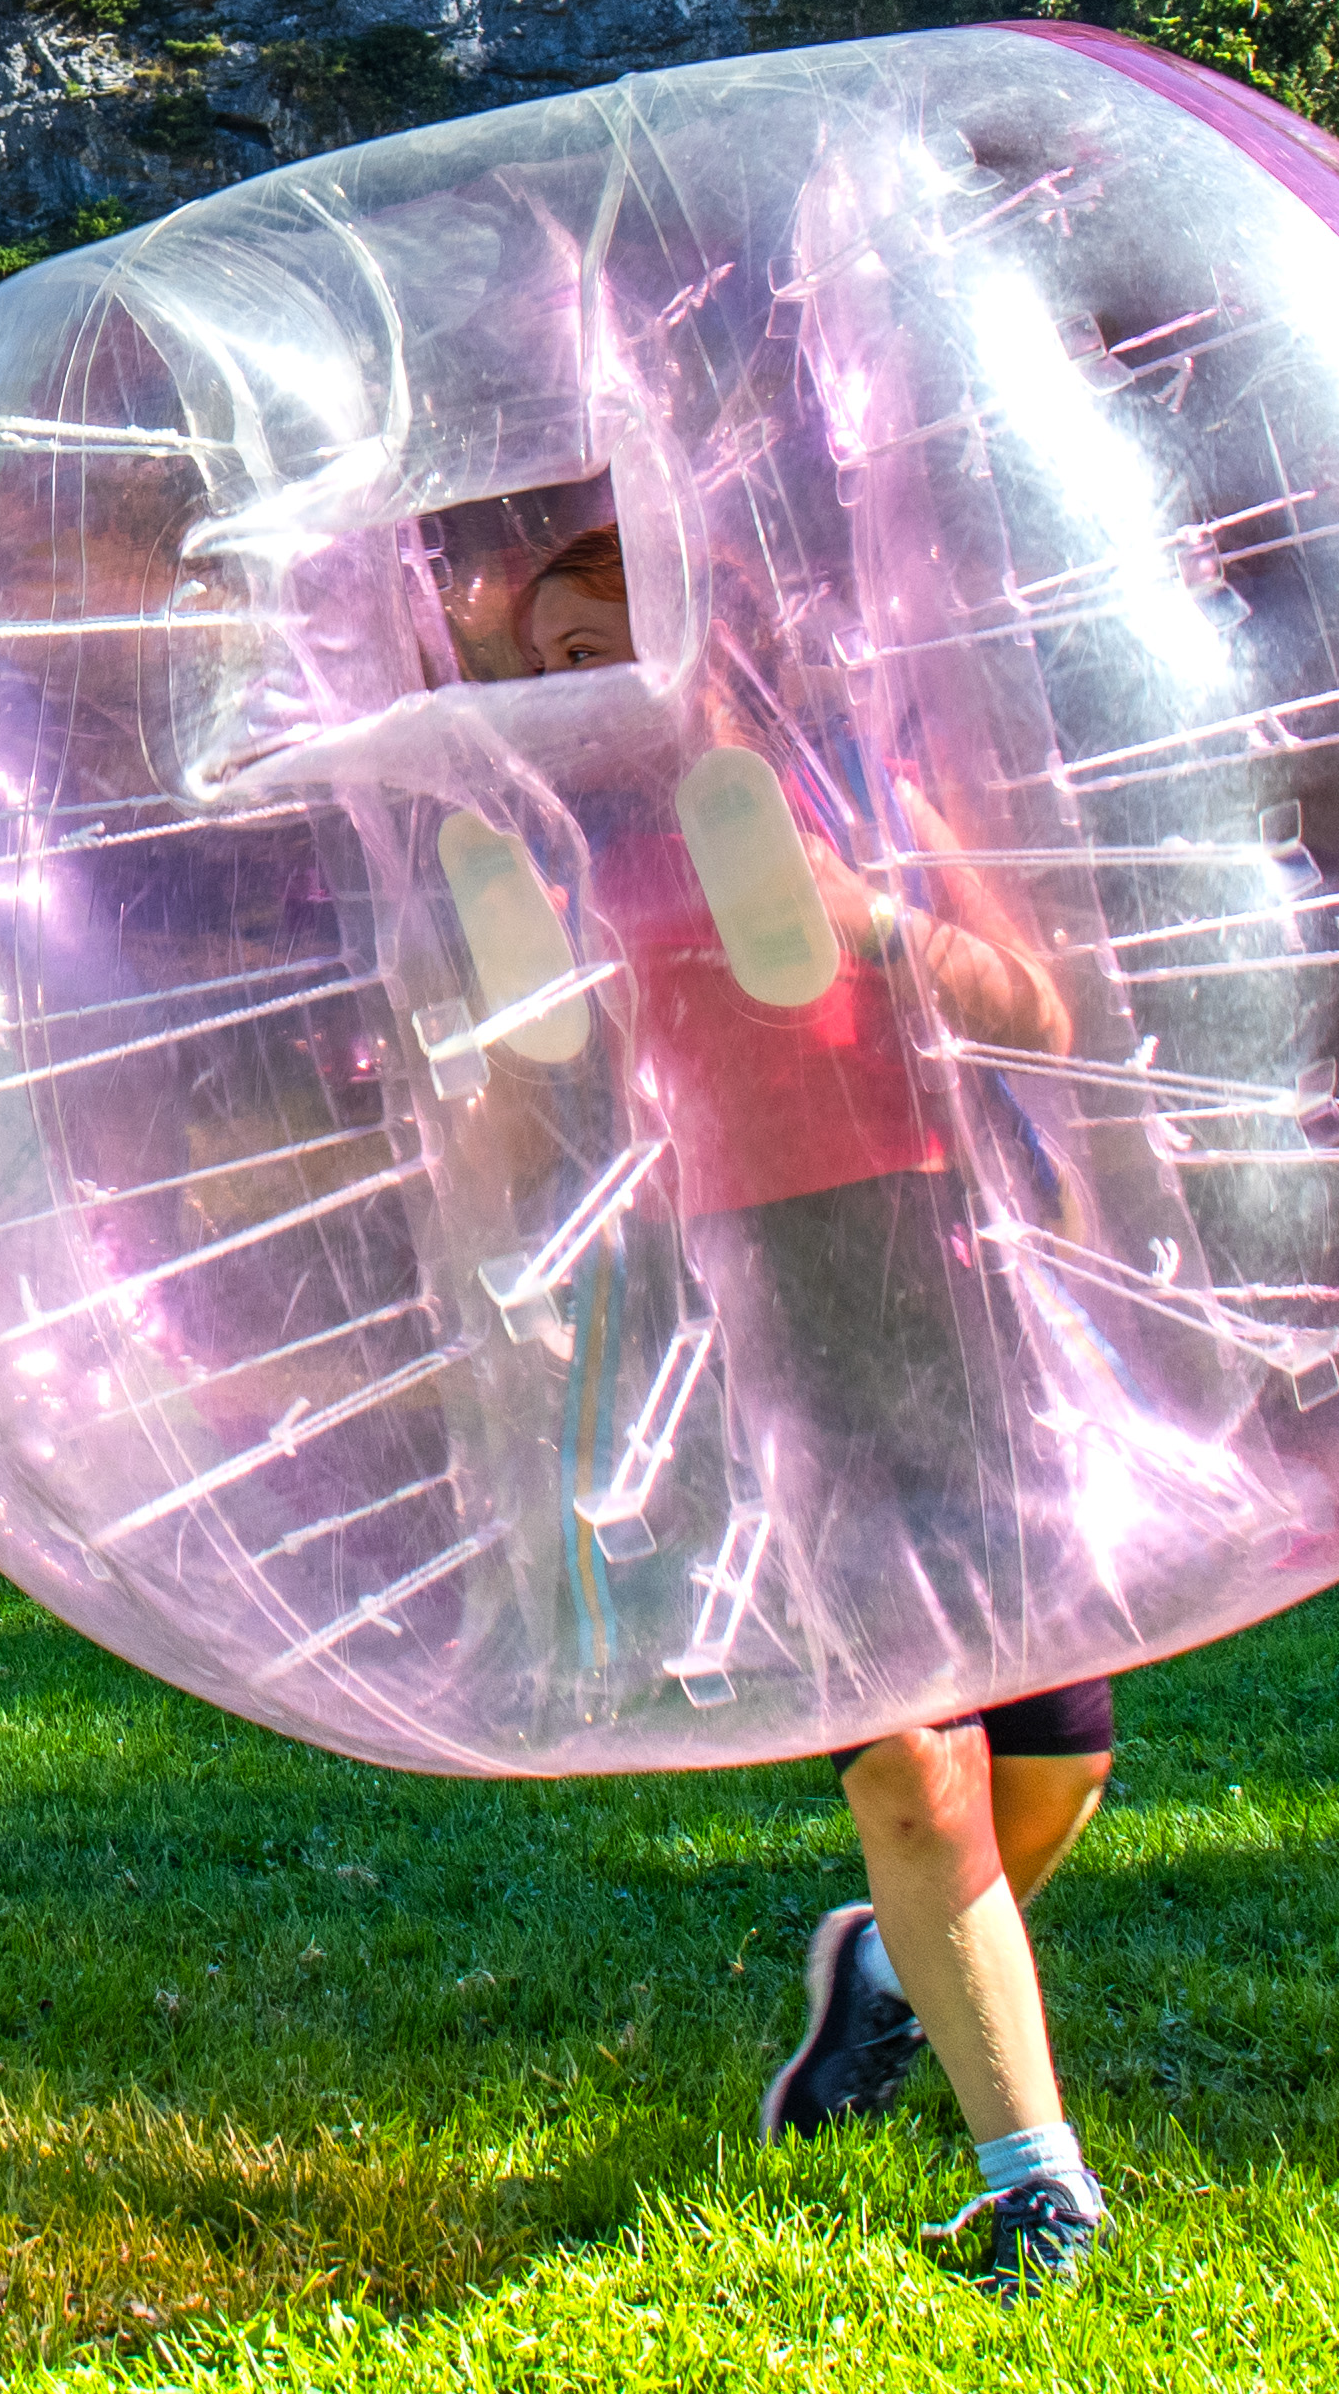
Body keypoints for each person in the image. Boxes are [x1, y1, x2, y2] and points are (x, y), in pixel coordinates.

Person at [464, 511, 1118, 2292]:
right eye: (544, 660)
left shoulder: (863, 782)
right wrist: (500, 1220)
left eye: (601, 640)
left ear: (692, 624)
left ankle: (885, 1983)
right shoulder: (546, 860)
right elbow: (515, 1130)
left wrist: (875, 922)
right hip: (745, 1304)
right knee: (912, 1757)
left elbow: (1043, 1008)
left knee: (1054, 1762)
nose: (573, 684)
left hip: (957, 1276)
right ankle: (1032, 2184)